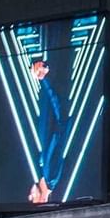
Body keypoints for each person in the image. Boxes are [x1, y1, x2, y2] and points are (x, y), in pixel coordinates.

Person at [28, 58, 69, 205]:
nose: (30, 196)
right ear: (44, 199)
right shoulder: (51, 177)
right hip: (58, 120)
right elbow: (56, 142)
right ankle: (45, 72)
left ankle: (43, 72)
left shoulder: (45, 174)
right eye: (34, 199)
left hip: (54, 119)